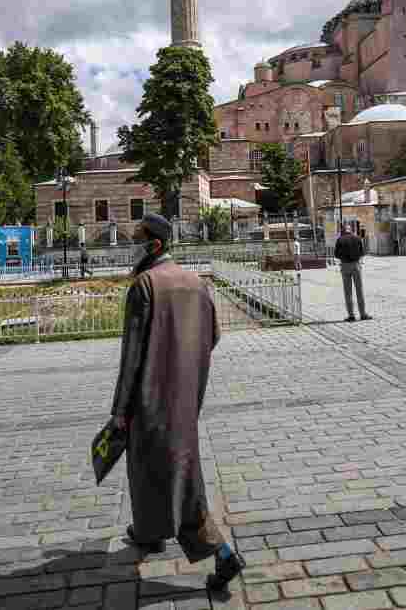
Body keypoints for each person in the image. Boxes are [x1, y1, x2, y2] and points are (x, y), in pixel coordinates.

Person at [109, 214, 245, 593]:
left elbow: (131, 356)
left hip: (150, 395)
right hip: (186, 394)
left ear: (153, 245)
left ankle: (222, 553)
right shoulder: (194, 281)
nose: (130, 244)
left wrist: (119, 410)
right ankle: (149, 532)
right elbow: (213, 335)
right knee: (152, 468)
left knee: (175, 477)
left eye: (136, 239)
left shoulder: (145, 285)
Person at [334, 224, 371, 323]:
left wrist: (343, 258)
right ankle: (363, 314)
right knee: (359, 290)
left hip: (345, 266)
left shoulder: (340, 240)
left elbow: (336, 254)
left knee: (348, 292)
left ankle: (351, 315)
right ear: (351, 230)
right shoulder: (357, 238)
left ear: (343, 230)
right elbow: (362, 252)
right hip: (356, 266)